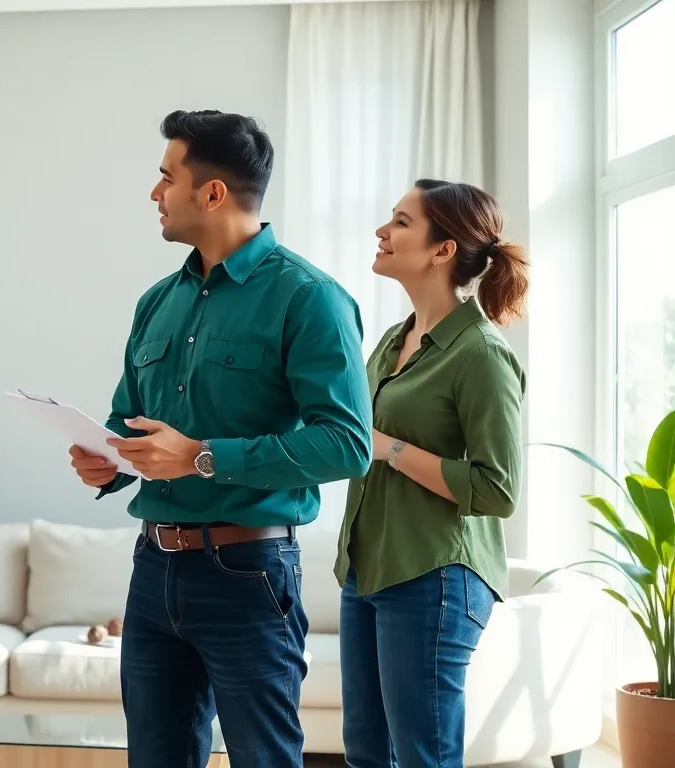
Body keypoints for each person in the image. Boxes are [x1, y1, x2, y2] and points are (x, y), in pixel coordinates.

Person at [70, 109, 374, 768]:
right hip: (154, 571)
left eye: (165, 178)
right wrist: (111, 461)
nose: (154, 194)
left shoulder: (310, 298)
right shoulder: (157, 302)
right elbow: (132, 421)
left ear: (212, 193)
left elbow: (348, 443)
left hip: (248, 575)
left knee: (263, 759)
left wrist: (202, 455)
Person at [334, 179, 528, 767]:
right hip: (366, 568)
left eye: (400, 221)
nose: (381, 231)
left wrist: (388, 447)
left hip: (434, 577)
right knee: (366, 752)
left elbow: (497, 490)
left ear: (443, 250)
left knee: (424, 756)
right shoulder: (394, 340)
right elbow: (352, 438)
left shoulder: (481, 356)